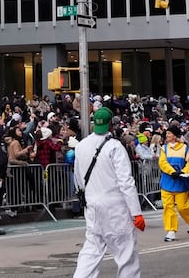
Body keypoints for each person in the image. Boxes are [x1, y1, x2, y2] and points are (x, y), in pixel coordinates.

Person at [70, 106, 143, 278]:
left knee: (92, 249)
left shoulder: (81, 146)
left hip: (92, 204)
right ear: (111, 125)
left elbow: (78, 178)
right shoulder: (115, 147)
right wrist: (136, 212)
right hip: (115, 206)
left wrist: (85, 199)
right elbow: (126, 181)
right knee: (125, 251)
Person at [155, 125, 189, 242]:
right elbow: (162, 163)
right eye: (167, 133)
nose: (167, 135)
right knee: (168, 207)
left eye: (169, 133)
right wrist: (172, 172)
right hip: (167, 182)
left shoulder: (185, 148)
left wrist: (184, 172)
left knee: (183, 207)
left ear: (175, 135)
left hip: (181, 183)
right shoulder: (164, 148)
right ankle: (171, 231)